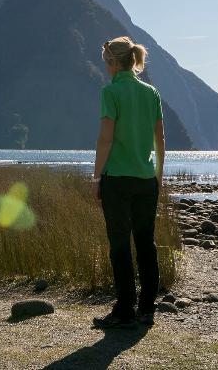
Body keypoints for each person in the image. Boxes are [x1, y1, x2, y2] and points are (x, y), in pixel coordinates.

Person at [92, 36, 166, 330]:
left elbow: (105, 139)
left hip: (118, 180)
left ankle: (124, 310)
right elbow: (159, 139)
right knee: (146, 244)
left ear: (112, 62)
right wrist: (157, 175)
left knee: (120, 245)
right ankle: (147, 309)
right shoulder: (151, 93)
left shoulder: (111, 93)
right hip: (146, 179)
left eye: (105, 63)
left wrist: (96, 177)